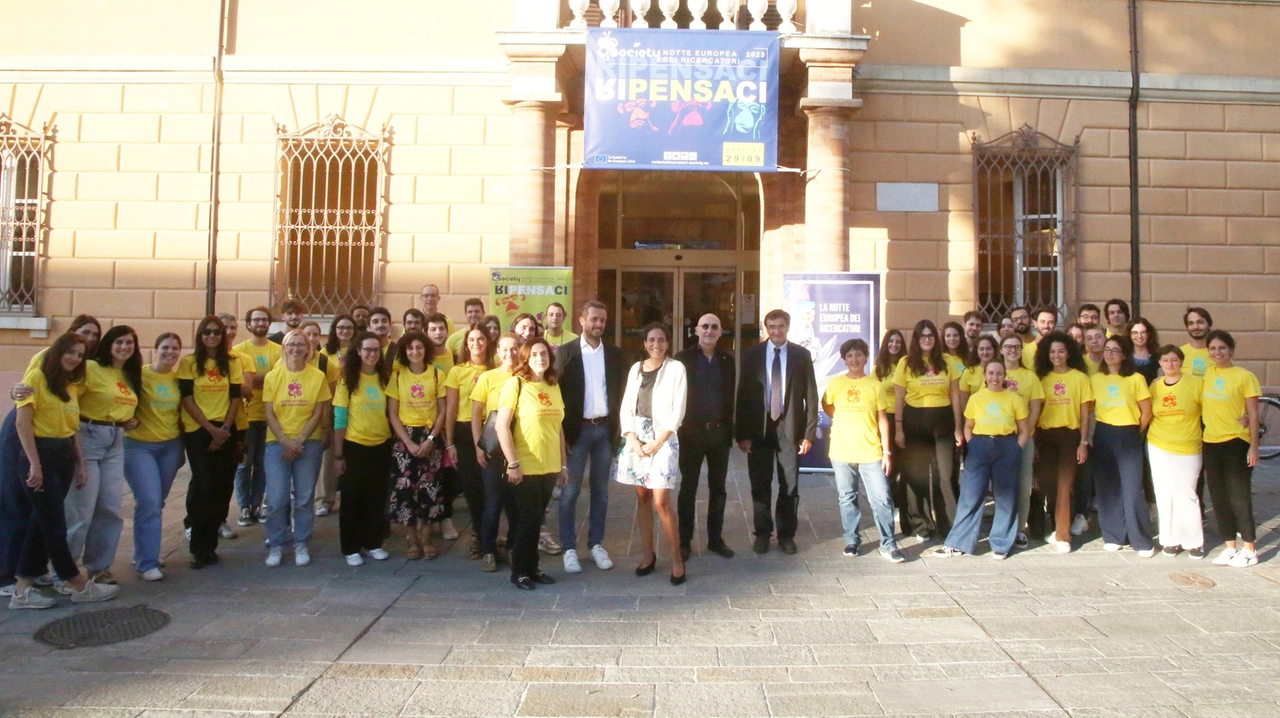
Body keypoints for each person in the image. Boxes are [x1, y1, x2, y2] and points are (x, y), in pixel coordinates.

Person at [7, 333, 119, 609]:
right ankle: (76, 582)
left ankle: (21, 591)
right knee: (55, 525)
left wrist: (80, 464)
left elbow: (73, 429)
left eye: (80, 354)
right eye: (70, 352)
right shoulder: (36, 378)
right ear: (57, 352)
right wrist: (34, 464)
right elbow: (23, 424)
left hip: (64, 457)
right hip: (40, 456)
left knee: (41, 523)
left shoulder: (71, 385)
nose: (74, 358)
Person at [64, 325, 142, 587]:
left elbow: (120, 405)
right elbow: (70, 403)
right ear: (109, 344)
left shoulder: (128, 375)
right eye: (119, 342)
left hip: (115, 441)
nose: (124, 347)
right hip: (87, 439)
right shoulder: (91, 368)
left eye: (129, 342)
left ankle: (98, 568)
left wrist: (127, 422)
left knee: (110, 508)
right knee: (81, 510)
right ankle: (65, 572)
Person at [736, 309, 819, 555]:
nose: (776, 331)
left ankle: (786, 535)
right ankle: (762, 533)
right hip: (759, 428)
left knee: (789, 485)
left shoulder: (801, 355)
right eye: (771, 326)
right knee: (759, 483)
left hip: (789, 427)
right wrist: (742, 434)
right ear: (766, 328)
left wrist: (808, 433)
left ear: (788, 327)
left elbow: (811, 396)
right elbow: (742, 395)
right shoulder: (752, 355)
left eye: (781, 326)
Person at [554, 301, 625, 572]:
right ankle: (569, 547)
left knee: (601, 492)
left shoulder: (616, 354)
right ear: (581, 321)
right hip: (576, 431)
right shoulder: (565, 353)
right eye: (594, 319)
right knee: (569, 492)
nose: (598, 324)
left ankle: (596, 543)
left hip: (604, 430)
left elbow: (620, 391)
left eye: (603, 320)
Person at [934, 360, 1029, 559]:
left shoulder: (1014, 399)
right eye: (991, 373)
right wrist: (974, 443)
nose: (995, 378)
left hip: (1007, 446)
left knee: (1005, 497)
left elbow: (1024, 430)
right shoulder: (976, 398)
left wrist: (1015, 448)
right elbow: (968, 426)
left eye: (999, 374)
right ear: (985, 375)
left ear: (1005, 377)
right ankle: (958, 542)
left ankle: (1001, 543)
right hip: (980, 446)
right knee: (971, 494)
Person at [616, 324, 688, 583]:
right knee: (643, 497)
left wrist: (658, 442)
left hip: (663, 437)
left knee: (661, 501)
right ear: (644, 343)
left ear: (667, 343)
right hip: (637, 438)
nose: (656, 344)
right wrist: (632, 439)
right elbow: (626, 406)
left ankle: (677, 558)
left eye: (661, 340)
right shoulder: (636, 369)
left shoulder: (676, 369)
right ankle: (648, 555)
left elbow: (678, 410)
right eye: (651, 340)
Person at [495, 337, 567, 590]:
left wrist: (564, 465)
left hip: (549, 466)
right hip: (524, 466)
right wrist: (513, 463)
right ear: (525, 358)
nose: (540, 358)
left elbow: (558, 429)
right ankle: (519, 572)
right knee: (527, 520)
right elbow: (501, 426)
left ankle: (533, 568)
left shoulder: (553, 385)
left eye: (544, 353)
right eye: (534, 354)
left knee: (537, 520)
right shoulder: (515, 384)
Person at [823, 338, 903, 563]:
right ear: (844, 359)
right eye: (850, 356)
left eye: (858, 355)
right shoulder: (836, 384)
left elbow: (882, 420)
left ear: (866, 357)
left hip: (870, 450)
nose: (854, 359)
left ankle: (888, 543)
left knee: (881, 498)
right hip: (841, 449)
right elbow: (827, 405)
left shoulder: (874, 384)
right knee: (847, 497)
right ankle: (852, 540)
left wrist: (887, 451)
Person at [261, 331, 330, 568]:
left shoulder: (318, 376)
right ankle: (278, 544)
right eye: (292, 344)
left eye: (301, 344)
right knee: (277, 498)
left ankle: (301, 542)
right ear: (284, 346)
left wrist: (299, 439)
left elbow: (318, 412)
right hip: (277, 443)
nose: (296, 348)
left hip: (308, 442)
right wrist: (284, 440)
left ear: (308, 348)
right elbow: (269, 412)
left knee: (304, 497)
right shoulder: (272, 376)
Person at [180, 316, 244, 569]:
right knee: (203, 487)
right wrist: (211, 429)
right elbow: (187, 398)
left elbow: (236, 397)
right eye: (207, 332)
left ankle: (211, 547)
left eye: (217, 332)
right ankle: (198, 547)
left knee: (222, 487)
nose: (212, 336)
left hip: (226, 429)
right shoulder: (189, 363)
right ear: (200, 335)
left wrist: (225, 428)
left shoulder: (231, 363)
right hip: (199, 431)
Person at [122, 332, 184, 582]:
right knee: (148, 502)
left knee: (156, 502)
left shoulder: (178, 380)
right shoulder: (138, 375)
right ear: (155, 349)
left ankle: (142, 552)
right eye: (165, 347)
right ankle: (148, 562)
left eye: (175, 348)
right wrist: (126, 418)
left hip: (170, 446)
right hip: (139, 447)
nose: (170, 352)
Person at [892, 319, 961, 542]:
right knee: (915, 475)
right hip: (914, 420)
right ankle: (919, 524)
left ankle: (949, 525)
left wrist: (959, 428)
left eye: (931, 336)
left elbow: (956, 397)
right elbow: (899, 397)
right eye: (923, 336)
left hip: (943, 421)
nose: (927, 340)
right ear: (916, 339)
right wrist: (899, 429)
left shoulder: (948, 361)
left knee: (946, 474)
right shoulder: (906, 362)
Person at [674, 313, 736, 560]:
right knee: (688, 488)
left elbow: (731, 395)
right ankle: (684, 540)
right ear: (696, 331)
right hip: (691, 433)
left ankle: (715, 539)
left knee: (718, 488)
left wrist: (733, 431)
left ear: (720, 332)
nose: (709, 331)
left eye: (714, 327)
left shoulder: (727, 360)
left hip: (719, 433)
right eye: (705, 327)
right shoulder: (682, 359)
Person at [333, 331, 394, 566]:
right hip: (354, 446)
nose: (371, 354)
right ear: (358, 351)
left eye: (376, 350)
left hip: (381, 445)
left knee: (376, 497)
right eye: (367, 349)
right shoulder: (347, 380)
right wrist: (338, 454)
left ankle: (373, 543)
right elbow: (339, 419)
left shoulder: (385, 378)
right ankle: (350, 547)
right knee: (352, 498)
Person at [1202, 330, 1262, 568]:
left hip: (1236, 442)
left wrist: (1254, 446)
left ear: (1231, 351)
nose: (1217, 353)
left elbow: (1254, 414)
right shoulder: (1207, 374)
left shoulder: (1244, 376)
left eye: (1222, 348)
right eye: (1213, 349)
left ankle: (1249, 549)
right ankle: (1230, 547)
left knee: (1239, 497)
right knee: (1218, 497)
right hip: (1211, 442)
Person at [386, 330, 447, 559]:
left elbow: (442, 411)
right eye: (410, 348)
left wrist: (431, 438)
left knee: (430, 488)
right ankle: (412, 539)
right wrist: (408, 442)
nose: (415, 352)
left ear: (426, 350)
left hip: (430, 436)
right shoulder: (398, 376)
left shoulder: (436, 375)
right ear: (404, 351)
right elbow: (392, 413)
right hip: (405, 438)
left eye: (419, 347)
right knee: (405, 489)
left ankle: (427, 538)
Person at [1091, 335, 1154, 556]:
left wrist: (1135, 433)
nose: (1109, 353)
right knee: (1108, 488)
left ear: (1124, 354)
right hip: (1104, 433)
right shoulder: (1097, 378)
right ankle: (1113, 534)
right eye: (1107, 349)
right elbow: (1087, 407)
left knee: (1132, 489)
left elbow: (1146, 411)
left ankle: (1141, 539)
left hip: (1128, 434)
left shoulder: (1135, 378)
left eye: (1115, 350)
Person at [1030, 331, 1092, 551]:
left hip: (1070, 436)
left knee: (1065, 485)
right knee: (1049, 486)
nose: (1056, 355)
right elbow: (1035, 413)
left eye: (1061, 351)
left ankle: (1064, 537)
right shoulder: (1041, 379)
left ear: (1069, 353)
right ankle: (1058, 528)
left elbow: (1085, 413)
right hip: (1045, 437)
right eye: (1052, 351)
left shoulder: (1080, 378)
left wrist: (1083, 442)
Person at [1146, 345, 1205, 559]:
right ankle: (1170, 540)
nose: (1170, 364)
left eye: (1174, 360)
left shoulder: (1196, 383)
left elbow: (1211, 409)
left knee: (1186, 493)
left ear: (1181, 362)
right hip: (1159, 444)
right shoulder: (1155, 387)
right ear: (1160, 364)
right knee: (1163, 493)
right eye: (1165, 361)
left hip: (1188, 445)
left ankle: (1194, 541)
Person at [471, 332, 522, 572]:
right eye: (505, 349)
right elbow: (475, 414)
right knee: (492, 502)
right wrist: (477, 446)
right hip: (492, 448)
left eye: (514, 349)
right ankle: (488, 550)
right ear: (498, 351)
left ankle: (512, 547)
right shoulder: (487, 377)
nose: (509, 353)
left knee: (515, 503)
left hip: (519, 448)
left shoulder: (526, 377)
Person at [445, 325, 495, 559]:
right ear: (466, 344)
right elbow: (451, 409)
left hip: (493, 431)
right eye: (472, 340)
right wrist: (450, 443)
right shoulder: (457, 371)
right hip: (465, 433)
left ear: (488, 341)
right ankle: (478, 533)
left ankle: (490, 535)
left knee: (492, 488)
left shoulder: (496, 368)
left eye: (481, 339)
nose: (477, 343)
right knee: (473, 489)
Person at [232, 307, 281, 526]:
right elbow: (245, 384)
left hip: (271, 415)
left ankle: (257, 504)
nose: (261, 322)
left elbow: (280, 379)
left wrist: (254, 379)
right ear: (248, 324)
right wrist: (264, 377)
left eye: (264, 319)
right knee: (245, 463)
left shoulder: (279, 350)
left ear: (269, 324)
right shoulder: (239, 350)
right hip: (246, 415)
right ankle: (244, 506)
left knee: (263, 463)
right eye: (256, 319)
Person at [997, 337, 1044, 548]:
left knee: (1023, 484)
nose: (1013, 350)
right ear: (1001, 350)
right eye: (1008, 347)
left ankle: (1019, 529)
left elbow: (1035, 408)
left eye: (1017, 347)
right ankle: (1002, 527)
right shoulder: (994, 373)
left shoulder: (1030, 376)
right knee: (1002, 486)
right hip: (999, 437)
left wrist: (1027, 432)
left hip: (1024, 437)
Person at [424, 311, 458, 539]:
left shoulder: (455, 357)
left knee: (448, 476)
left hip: (450, 425)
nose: (438, 333)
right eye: (433, 329)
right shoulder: (420, 358)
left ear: (448, 331)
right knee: (426, 475)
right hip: (425, 426)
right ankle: (426, 521)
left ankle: (446, 518)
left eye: (441, 328)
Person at [874, 330, 908, 537]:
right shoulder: (879, 369)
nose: (894, 344)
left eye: (898, 341)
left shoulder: (907, 365)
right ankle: (886, 502)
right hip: (885, 420)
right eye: (891, 341)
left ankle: (898, 503)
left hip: (903, 419)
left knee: (902, 465)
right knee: (887, 464)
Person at [959, 335, 999, 407]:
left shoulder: (1002, 371)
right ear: (976, 351)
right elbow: (964, 402)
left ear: (994, 350)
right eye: (981, 349)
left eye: (989, 349)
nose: (985, 352)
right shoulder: (968, 372)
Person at [1181, 307, 1212, 378]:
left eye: (1200, 322)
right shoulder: (1179, 353)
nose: (1196, 327)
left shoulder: (1218, 353)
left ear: (1209, 324)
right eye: (1191, 323)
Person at [1128, 318, 1161, 383]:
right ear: (1129, 335)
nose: (1139, 336)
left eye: (1143, 332)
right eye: (1135, 333)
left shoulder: (1158, 357)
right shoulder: (1124, 357)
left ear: (1148, 334)